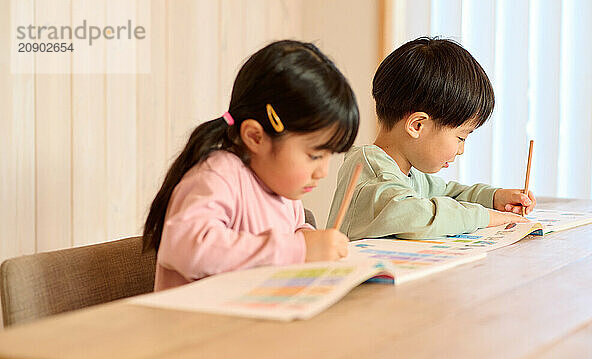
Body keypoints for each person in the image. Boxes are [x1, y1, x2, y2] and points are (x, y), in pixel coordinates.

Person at [144, 40, 359, 291]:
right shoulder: (219, 175)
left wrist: (307, 236)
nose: (323, 172)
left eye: (329, 156)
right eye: (314, 156)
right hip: (197, 328)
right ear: (256, 137)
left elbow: (292, 232)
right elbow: (186, 247)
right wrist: (299, 248)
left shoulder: (283, 188)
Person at [327, 37, 535, 240]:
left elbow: (448, 193)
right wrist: (486, 217)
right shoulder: (371, 170)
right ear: (417, 125)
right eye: (461, 137)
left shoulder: (409, 173)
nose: (461, 150)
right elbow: (417, 216)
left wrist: (494, 198)